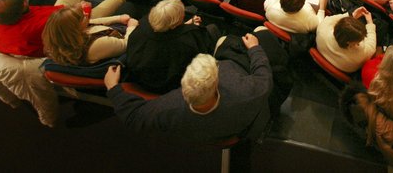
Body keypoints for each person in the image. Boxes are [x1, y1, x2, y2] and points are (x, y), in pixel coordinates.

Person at [105, 35, 273, 142]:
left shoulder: (169, 108)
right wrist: (254, 48)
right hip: (238, 127)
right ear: (216, 83)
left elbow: (133, 116)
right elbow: (264, 77)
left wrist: (113, 87)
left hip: (201, 133)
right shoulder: (245, 93)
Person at [0, 0, 125, 57]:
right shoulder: (45, 24)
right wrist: (85, 10)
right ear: (23, 5)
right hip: (72, 23)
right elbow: (77, 25)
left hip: (59, 13)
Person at [125, 0, 218, 94]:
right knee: (212, 29)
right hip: (172, 87)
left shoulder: (141, 28)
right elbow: (202, 54)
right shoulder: (189, 40)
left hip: (141, 81)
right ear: (176, 23)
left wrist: (186, 26)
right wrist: (195, 28)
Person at [42, 5, 138, 66]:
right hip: (125, 48)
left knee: (128, 6)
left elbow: (94, 22)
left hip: (114, 34)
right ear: (75, 27)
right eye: (82, 16)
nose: (86, 14)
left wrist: (119, 18)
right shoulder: (95, 45)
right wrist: (132, 27)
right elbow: (126, 44)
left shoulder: (68, 36)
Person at [315, 7, 376, 73]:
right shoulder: (360, 55)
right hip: (344, 70)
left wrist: (351, 15)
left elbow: (334, 19)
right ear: (349, 42)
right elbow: (371, 46)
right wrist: (370, 22)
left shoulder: (323, 27)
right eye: (360, 40)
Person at [263, 0, 328, 34]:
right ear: (302, 4)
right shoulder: (308, 16)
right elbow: (319, 26)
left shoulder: (269, 3)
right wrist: (322, 7)